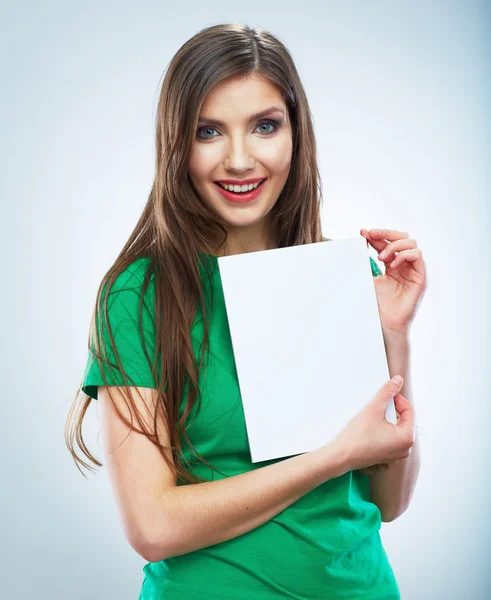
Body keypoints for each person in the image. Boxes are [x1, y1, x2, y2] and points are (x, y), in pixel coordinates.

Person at [65, 23, 419, 600]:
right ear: (177, 143)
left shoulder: (346, 276)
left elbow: (389, 501)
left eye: (264, 126)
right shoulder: (137, 295)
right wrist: (332, 457)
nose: (238, 159)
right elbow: (152, 526)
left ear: (295, 135)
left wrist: (393, 335)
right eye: (209, 131)